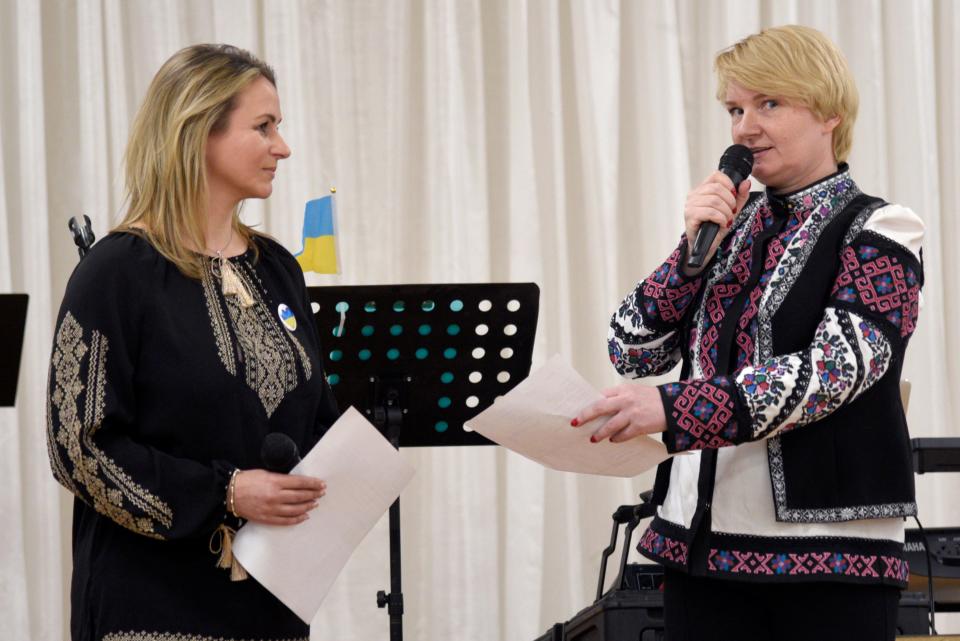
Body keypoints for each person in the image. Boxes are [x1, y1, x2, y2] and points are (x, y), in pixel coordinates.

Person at [574, 25, 923, 641]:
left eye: (770, 104)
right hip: (698, 550)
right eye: (735, 109)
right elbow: (631, 350)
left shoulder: (883, 229)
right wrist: (690, 252)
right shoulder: (728, 229)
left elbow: (832, 373)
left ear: (830, 114)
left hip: (830, 558)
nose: (743, 129)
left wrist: (675, 407)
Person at [46, 44, 339, 641]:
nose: (282, 146)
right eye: (263, 127)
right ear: (198, 131)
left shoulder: (278, 267)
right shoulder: (117, 272)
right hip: (151, 611)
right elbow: (78, 448)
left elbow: (313, 421)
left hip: (271, 609)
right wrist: (225, 491)